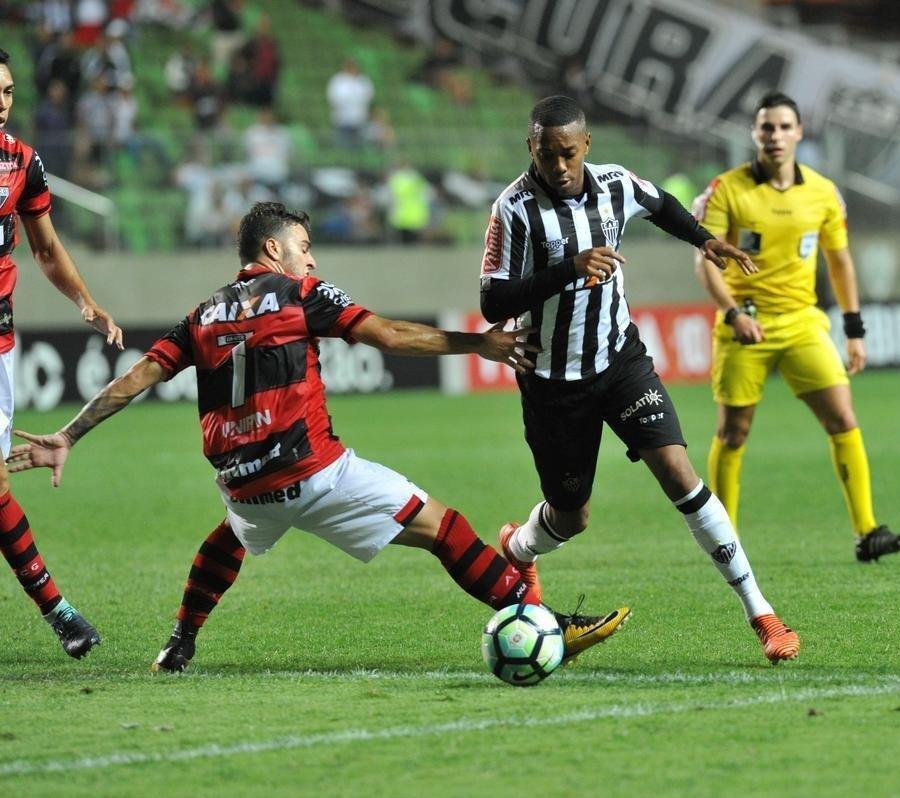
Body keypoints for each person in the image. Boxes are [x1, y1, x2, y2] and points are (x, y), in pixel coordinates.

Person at [8, 202, 627, 672]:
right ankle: (543, 625)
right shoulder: (300, 294)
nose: (312, 260)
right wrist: (480, 344)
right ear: (274, 248)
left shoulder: (201, 315)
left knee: (230, 536)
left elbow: (138, 377)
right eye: (304, 247)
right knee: (446, 528)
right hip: (314, 472)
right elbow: (384, 334)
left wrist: (69, 434)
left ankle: (181, 640)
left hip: (244, 488)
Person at [479, 95, 800, 663]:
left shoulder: (614, 183)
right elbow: (491, 299)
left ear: (587, 147)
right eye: (547, 154)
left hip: (621, 362)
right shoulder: (514, 210)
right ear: (531, 147)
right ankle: (520, 545)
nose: (559, 166)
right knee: (570, 516)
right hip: (554, 382)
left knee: (679, 472)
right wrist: (568, 270)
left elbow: (661, 204)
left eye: (569, 154)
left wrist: (704, 239)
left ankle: (763, 613)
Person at [692, 91, 900, 563]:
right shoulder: (726, 189)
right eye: (766, 127)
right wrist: (732, 313)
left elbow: (840, 262)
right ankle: (723, 540)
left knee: (843, 418)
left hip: (802, 323)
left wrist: (854, 329)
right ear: (754, 133)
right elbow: (705, 262)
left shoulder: (823, 192)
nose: (775, 136)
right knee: (733, 433)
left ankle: (867, 532)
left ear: (799, 132)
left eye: (784, 126)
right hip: (744, 322)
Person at [0, 48, 123, 658]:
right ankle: (61, 611)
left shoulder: (22, 162)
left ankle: (60, 612)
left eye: (9, 91)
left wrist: (85, 301)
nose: (2, 101)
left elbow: (45, 250)